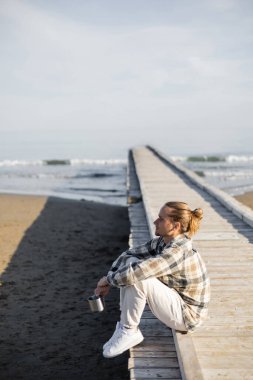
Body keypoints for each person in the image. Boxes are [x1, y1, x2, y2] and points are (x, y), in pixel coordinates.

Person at [95, 201, 210, 359]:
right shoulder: (164, 242)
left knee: (140, 277)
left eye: (161, 219)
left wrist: (107, 280)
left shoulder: (178, 251)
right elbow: (129, 255)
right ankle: (124, 326)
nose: (155, 221)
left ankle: (129, 331)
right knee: (132, 263)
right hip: (176, 300)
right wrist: (111, 274)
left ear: (175, 226)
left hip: (188, 317)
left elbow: (139, 272)